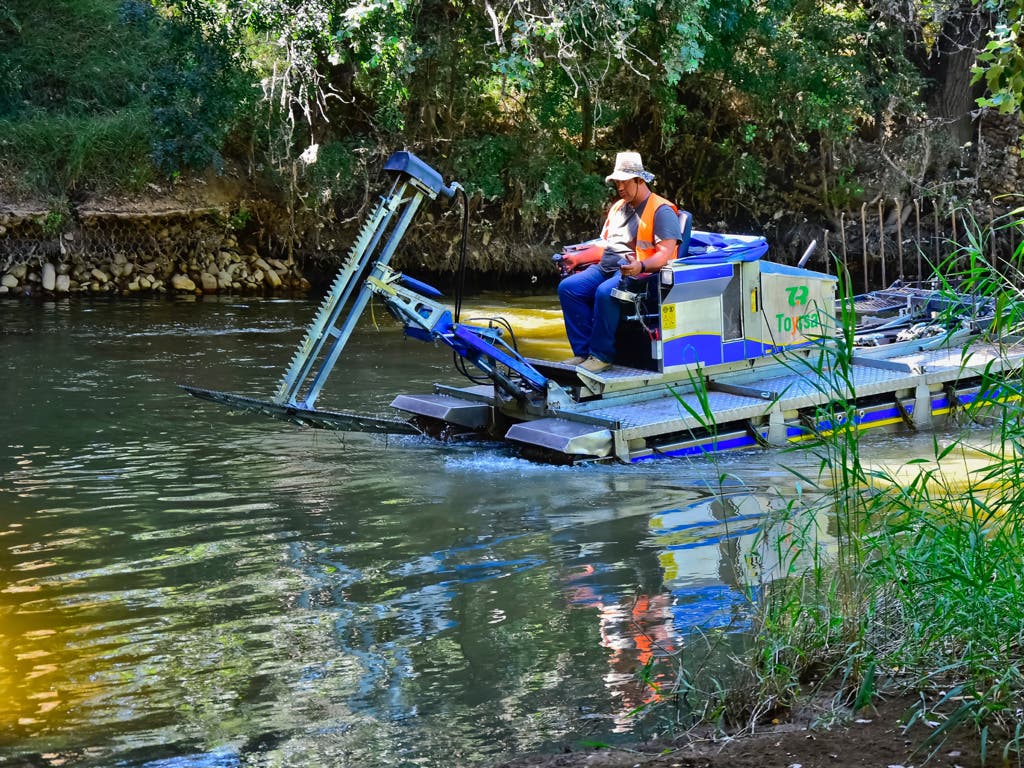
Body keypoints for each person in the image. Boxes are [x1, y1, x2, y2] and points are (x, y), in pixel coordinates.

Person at [557, 152, 682, 373]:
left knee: (606, 292)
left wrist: (640, 266)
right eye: (617, 183)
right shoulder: (618, 208)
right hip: (607, 268)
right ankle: (583, 353)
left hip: (641, 274)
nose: (620, 188)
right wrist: (576, 258)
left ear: (639, 180)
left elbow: (664, 254)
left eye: (624, 182)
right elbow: (606, 246)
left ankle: (601, 356)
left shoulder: (661, 211)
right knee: (569, 288)